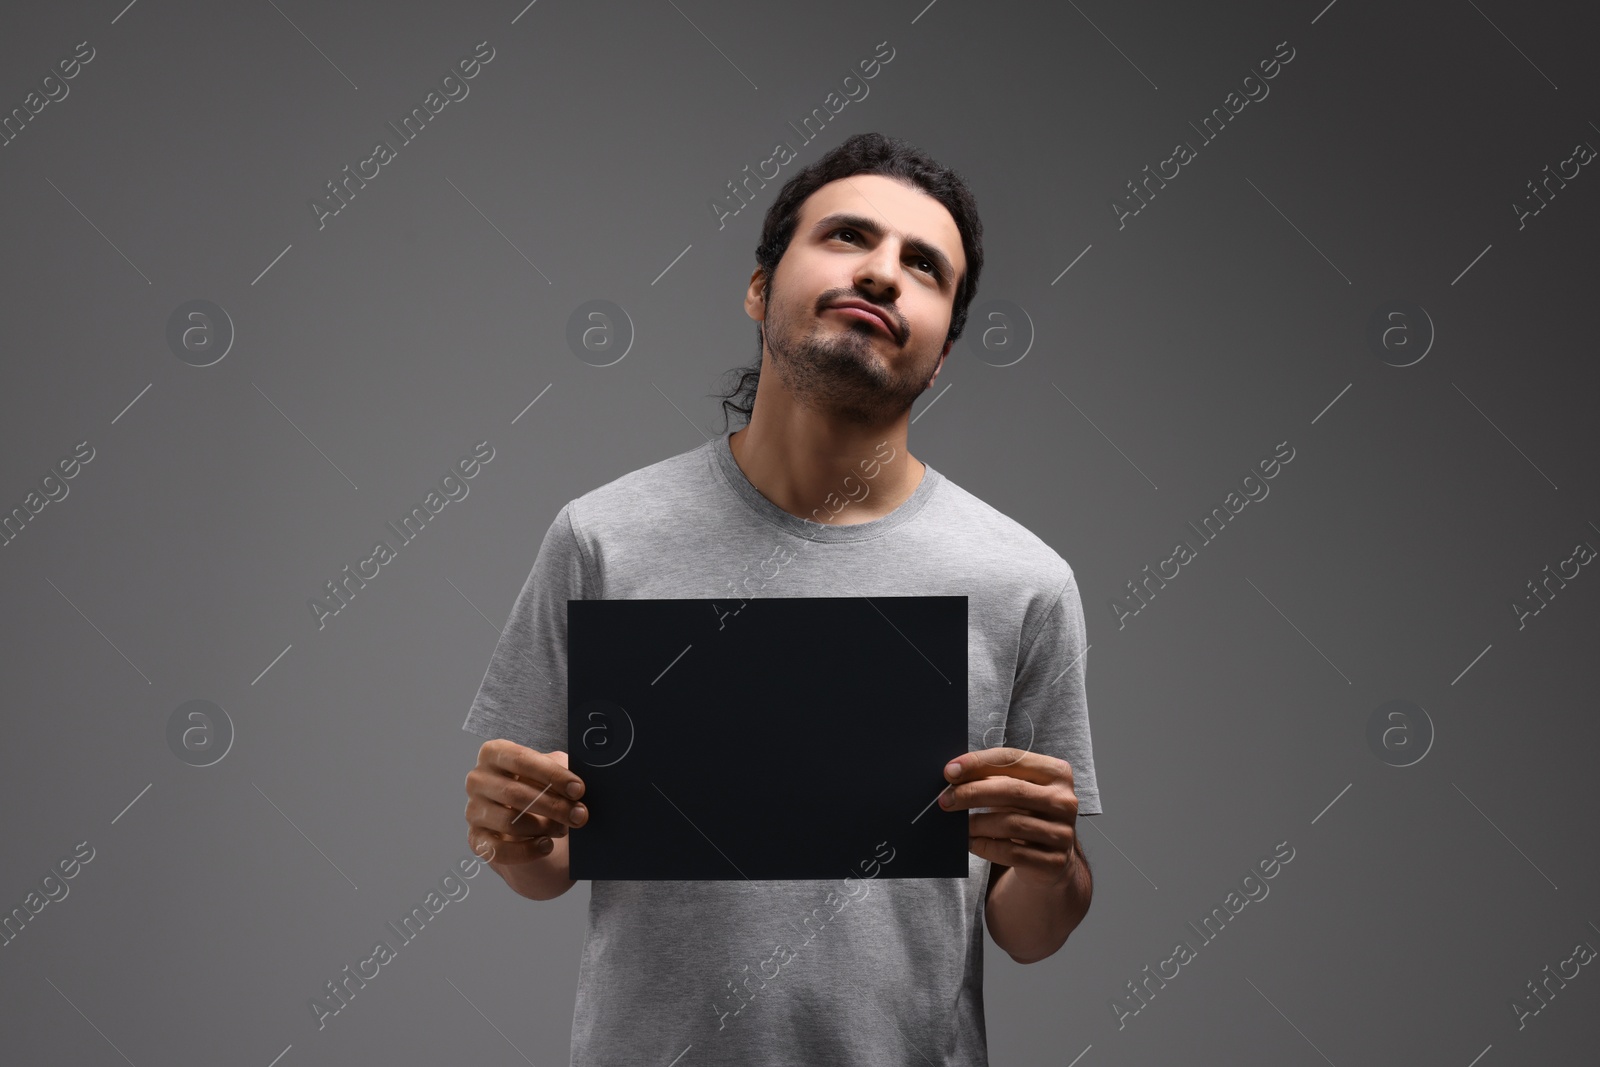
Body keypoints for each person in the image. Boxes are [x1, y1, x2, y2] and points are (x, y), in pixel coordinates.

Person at [461, 131, 1102, 1066]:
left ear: (943, 351)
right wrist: (511, 835)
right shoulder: (602, 537)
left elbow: (1028, 929)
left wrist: (1056, 864)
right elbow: (547, 865)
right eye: (848, 236)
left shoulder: (1024, 582)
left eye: (924, 266)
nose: (883, 272)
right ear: (760, 288)